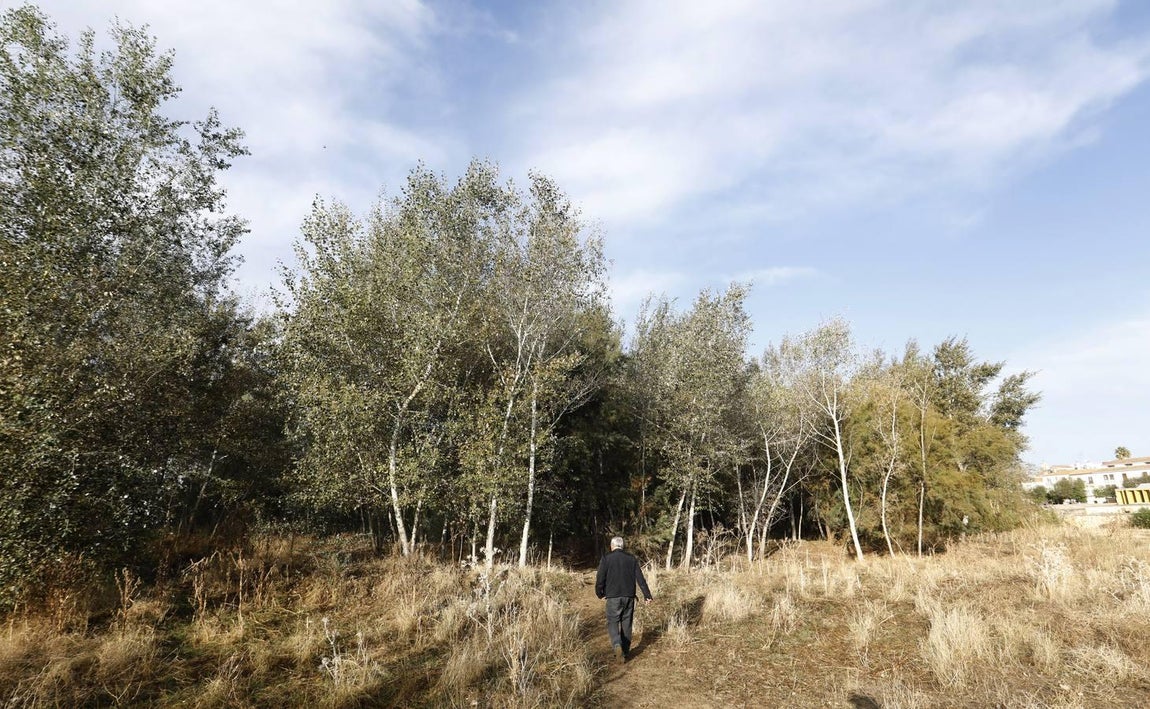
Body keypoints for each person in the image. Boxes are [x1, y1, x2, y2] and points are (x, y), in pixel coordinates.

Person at [595, 536, 653, 661]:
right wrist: (647, 595)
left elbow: (600, 579)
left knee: (613, 622)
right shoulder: (631, 559)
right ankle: (625, 652)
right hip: (629, 597)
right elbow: (640, 579)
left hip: (613, 597)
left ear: (612, 546)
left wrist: (600, 593)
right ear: (623, 546)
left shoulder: (606, 558)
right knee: (627, 623)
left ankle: (617, 644)